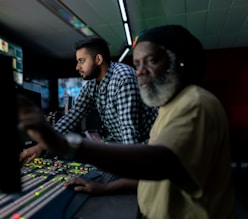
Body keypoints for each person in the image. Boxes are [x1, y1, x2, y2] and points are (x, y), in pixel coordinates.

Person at [18, 24, 236, 219]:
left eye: (150, 61)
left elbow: (155, 159)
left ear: (179, 62)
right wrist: (42, 144)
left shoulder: (194, 103)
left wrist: (67, 145)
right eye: (137, 63)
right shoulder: (171, 106)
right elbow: (74, 115)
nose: (139, 72)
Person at [20, 36, 158, 195]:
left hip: (146, 151)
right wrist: (40, 146)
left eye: (81, 61)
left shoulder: (123, 78)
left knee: (98, 184)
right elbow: (72, 117)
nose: (77, 67)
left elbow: (130, 138)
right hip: (128, 149)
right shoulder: (93, 85)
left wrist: (106, 186)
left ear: (98, 59)